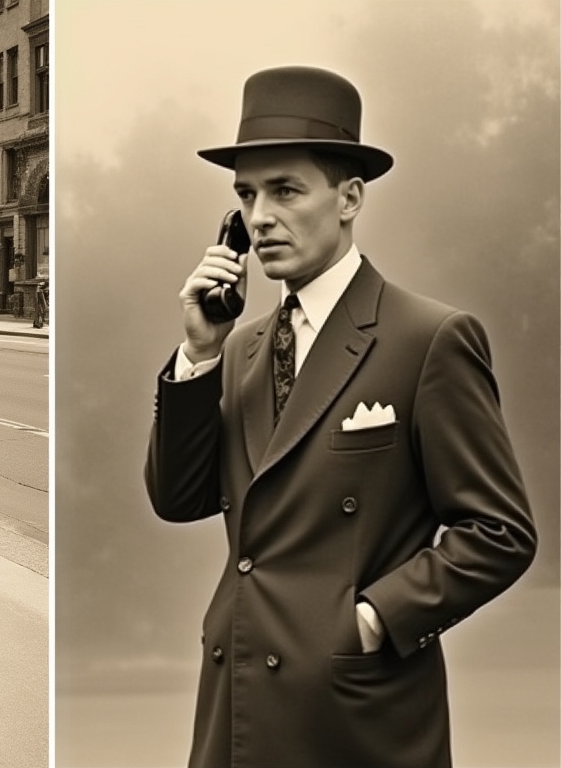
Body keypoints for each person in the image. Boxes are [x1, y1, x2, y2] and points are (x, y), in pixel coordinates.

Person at [144, 66, 537, 768]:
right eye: (246, 195)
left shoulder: (427, 338)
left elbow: (499, 532)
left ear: (350, 197)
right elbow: (179, 499)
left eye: (286, 190)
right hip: (236, 708)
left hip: (356, 714)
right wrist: (197, 355)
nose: (261, 216)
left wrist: (375, 618)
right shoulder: (239, 348)